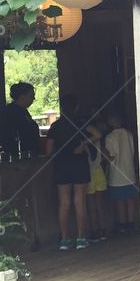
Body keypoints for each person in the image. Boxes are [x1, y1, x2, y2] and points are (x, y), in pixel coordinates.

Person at [47, 95, 90, 250]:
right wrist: (84, 143)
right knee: (80, 202)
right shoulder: (81, 124)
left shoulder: (55, 126)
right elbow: (98, 134)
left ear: (62, 108)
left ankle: (64, 239)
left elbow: (49, 150)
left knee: (64, 203)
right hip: (79, 164)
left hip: (62, 165)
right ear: (76, 108)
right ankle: (81, 238)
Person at [104, 111, 138, 232]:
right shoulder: (129, 134)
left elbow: (111, 156)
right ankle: (131, 222)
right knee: (130, 200)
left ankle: (122, 224)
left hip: (116, 174)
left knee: (119, 201)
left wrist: (104, 155)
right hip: (129, 171)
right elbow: (133, 152)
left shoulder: (110, 137)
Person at [0, 83, 40, 159]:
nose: (33, 98)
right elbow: (11, 135)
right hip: (18, 155)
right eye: (31, 96)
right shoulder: (10, 112)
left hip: (27, 154)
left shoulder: (24, 111)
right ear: (22, 96)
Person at [85, 120, 109, 241]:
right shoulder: (98, 141)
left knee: (92, 205)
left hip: (89, 173)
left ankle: (95, 231)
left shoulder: (83, 142)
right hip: (99, 172)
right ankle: (102, 230)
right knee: (98, 204)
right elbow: (106, 155)